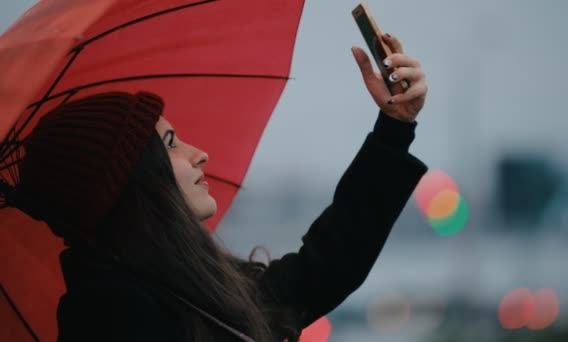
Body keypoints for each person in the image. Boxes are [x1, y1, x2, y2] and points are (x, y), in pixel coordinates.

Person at [1, 34, 428, 341]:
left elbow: (321, 270)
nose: (198, 153)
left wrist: (395, 126)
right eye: (170, 143)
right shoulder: (107, 317)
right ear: (131, 182)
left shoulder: (190, 284)